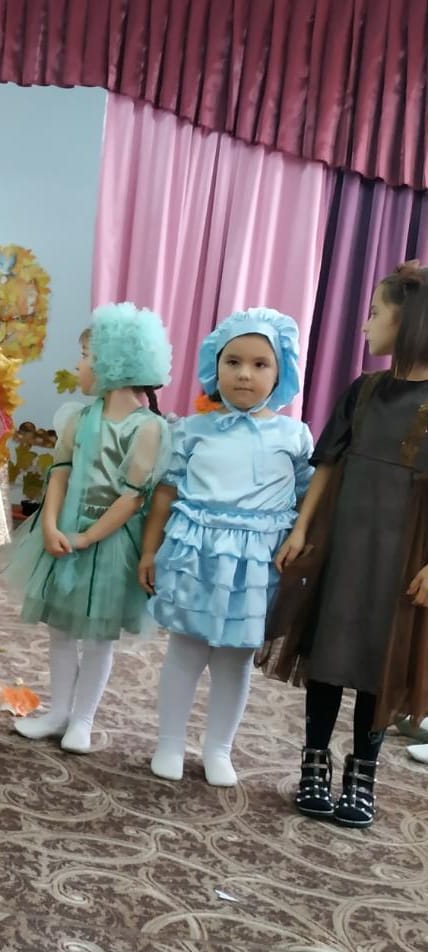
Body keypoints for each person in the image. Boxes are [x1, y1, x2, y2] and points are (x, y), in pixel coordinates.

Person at [261, 262, 428, 827]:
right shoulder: (364, 390)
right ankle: (314, 761)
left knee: (380, 659)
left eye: (375, 313)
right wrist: (302, 529)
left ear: (408, 321)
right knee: (328, 650)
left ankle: (363, 772)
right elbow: (328, 465)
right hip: (344, 543)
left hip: (403, 554)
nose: (364, 324)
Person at [140, 310, 313, 787]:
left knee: (234, 660)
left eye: (260, 364)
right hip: (196, 556)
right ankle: (170, 743)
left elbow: (306, 498)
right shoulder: (192, 430)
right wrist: (149, 551)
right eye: (233, 362)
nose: (244, 374)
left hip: (255, 566)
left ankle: (218, 748)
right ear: (214, 367)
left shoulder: (294, 436)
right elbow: (165, 494)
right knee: (186, 651)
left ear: (281, 373)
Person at [1, 307, 172, 752]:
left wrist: (87, 537)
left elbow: (133, 496)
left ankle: (83, 720)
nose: (78, 365)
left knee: (98, 636)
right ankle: (59, 712)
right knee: (60, 628)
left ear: (113, 362)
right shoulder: (78, 419)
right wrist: (50, 524)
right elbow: (59, 472)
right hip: (65, 531)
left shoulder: (148, 428)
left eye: (84, 356)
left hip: (111, 542)